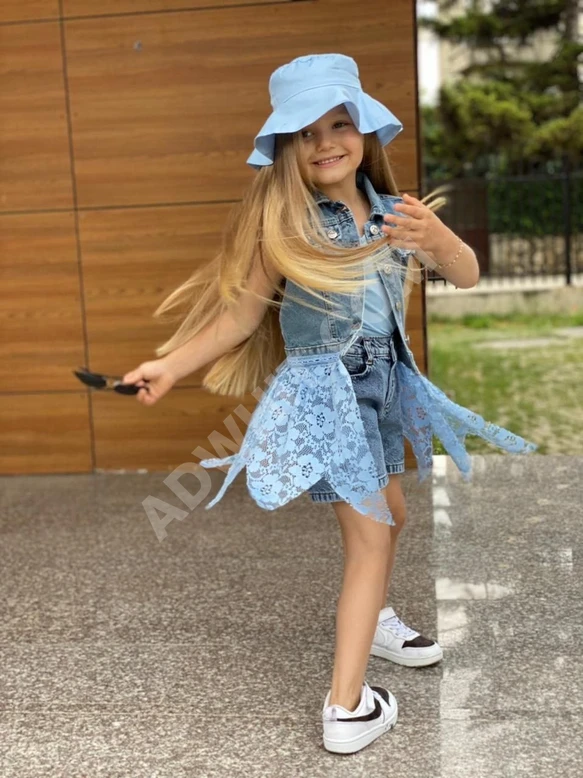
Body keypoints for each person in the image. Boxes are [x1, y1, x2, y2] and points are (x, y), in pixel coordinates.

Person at [122, 53, 538, 755]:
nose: (325, 143)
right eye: (305, 133)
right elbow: (237, 318)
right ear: (286, 148)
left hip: (384, 388)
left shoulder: (394, 215)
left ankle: (373, 624)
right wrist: (168, 366)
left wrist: (437, 238)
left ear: (364, 130)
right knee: (370, 538)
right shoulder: (288, 226)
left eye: (338, 124)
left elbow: (466, 275)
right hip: (328, 396)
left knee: (394, 515)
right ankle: (346, 707)